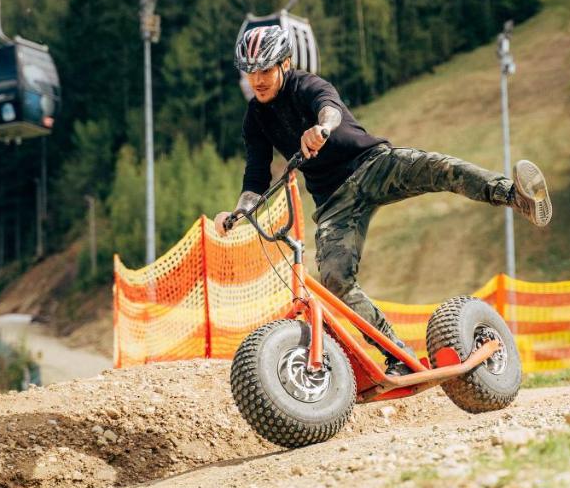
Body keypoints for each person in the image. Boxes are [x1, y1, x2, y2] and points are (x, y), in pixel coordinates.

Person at [215, 25, 552, 376]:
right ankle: (398, 355)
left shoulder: (307, 85)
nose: (258, 80)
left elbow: (329, 109)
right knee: (334, 280)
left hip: (373, 165)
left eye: (265, 70)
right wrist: (240, 210)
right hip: (333, 201)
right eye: (250, 73)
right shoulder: (255, 117)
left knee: (436, 167)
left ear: (285, 64)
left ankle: (514, 195)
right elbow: (255, 175)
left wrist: (322, 130)